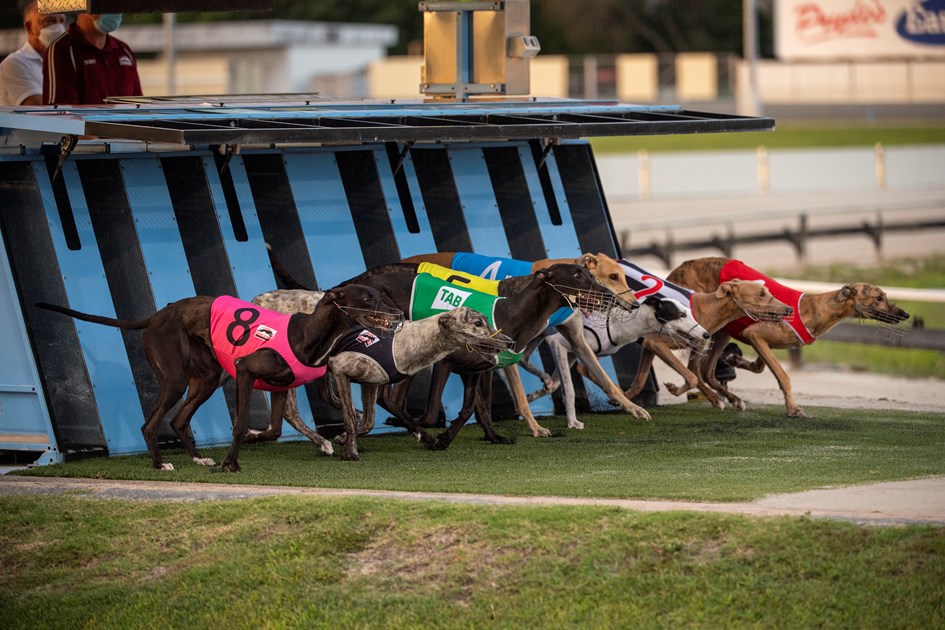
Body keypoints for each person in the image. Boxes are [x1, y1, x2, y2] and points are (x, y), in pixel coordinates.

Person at [43, 12, 141, 105]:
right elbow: (60, 112)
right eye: (105, 4)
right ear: (84, 7)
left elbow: (139, 105)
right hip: (84, 123)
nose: (114, 11)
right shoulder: (63, 49)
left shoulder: (124, 50)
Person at [0, 1, 66, 106]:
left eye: (62, 21)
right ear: (29, 27)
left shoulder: (65, 61)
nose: (58, 27)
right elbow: (40, 110)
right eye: (50, 21)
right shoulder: (15, 64)